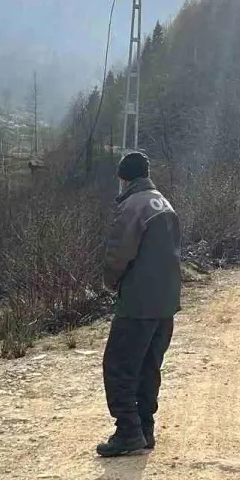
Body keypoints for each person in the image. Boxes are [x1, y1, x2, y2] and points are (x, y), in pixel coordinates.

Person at [97, 151, 182, 458]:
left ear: (123, 178)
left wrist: (109, 282)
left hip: (139, 302)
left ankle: (127, 431)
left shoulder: (133, 205)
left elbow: (119, 252)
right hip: (166, 301)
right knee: (149, 366)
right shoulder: (164, 203)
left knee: (119, 366)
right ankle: (145, 429)